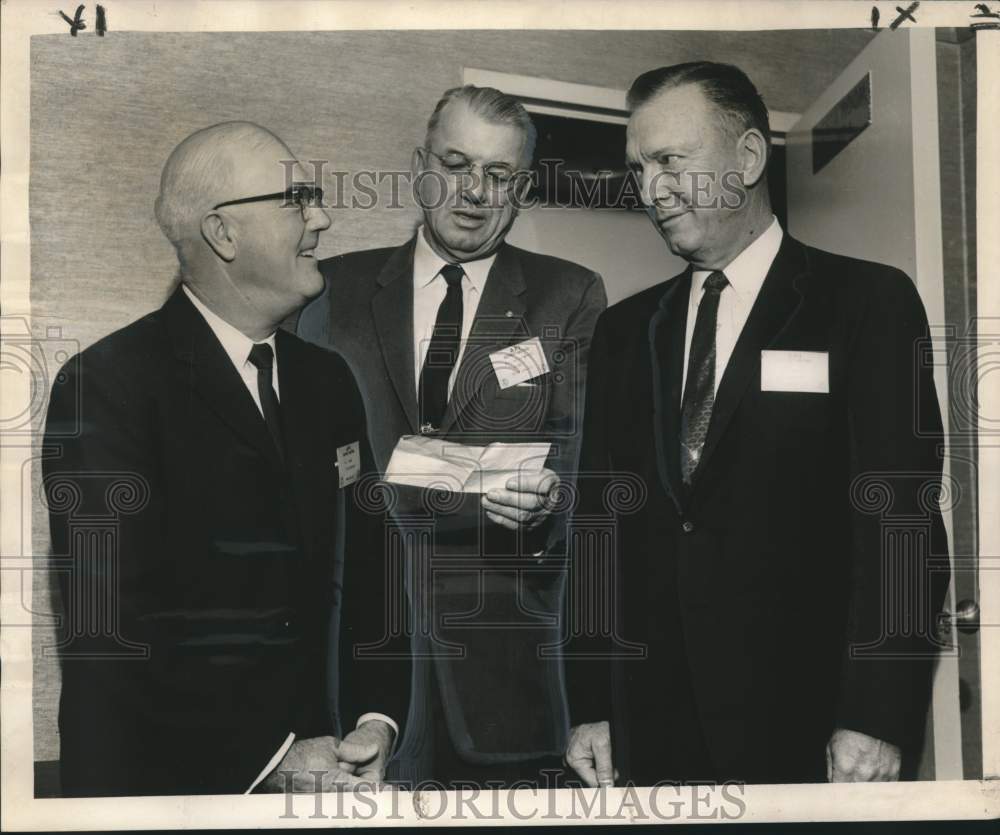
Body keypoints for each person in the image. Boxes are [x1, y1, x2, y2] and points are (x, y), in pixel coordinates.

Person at [563, 62, 950, 787]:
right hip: (651, 732)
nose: (650, 190)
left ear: (746, 158)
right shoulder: (622, 330)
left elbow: (905, 523)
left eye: (670, 161)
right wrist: (589, 702)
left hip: (812, 731)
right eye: (638, 168)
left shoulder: (866, 303)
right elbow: (598, 527)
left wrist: (877, 713)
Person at [43, 121, 408, 797]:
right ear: (223, 233)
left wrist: (376, 720)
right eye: (297, 199)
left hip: (323, 771)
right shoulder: (108, 385)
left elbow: (371, 567)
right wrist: (274, 759)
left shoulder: (328, 381)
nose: (322, 218)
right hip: (163, 785)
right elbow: (114, 628)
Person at [298, 85, 606, 786]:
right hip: (354, 671)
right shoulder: (327, 292)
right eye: (456, 163)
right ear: (419, 164)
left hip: (505, 676)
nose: (473, 191)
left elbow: (574, 472)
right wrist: (477, 476)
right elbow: (311, 478)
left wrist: (401, 469)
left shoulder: (571, 295)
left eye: (498, 175)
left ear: (522, 188)